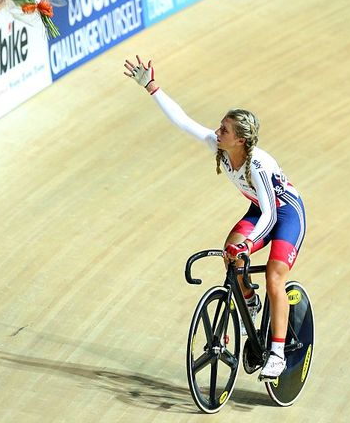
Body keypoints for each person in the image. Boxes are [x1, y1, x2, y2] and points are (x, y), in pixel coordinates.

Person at [123, 55, 306, 380]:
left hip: (285, 212)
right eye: (220, 126)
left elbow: (269, 212)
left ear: (241, 140)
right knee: (229, 253)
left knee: (275, 275)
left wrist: (250, 243)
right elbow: (184, 122)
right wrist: (152, 87)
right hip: (261, 209)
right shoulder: (220, 147)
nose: (217, 131)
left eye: (225, 129)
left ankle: (277, 352)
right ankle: (248, 301)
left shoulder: (258, 165)